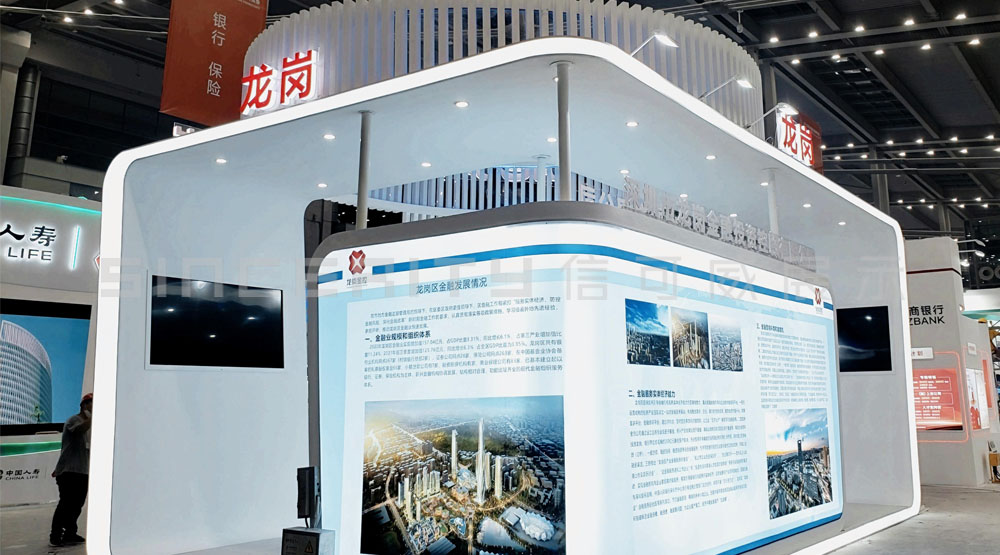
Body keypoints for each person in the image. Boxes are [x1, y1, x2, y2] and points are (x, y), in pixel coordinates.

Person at [50, 393, 92, 547]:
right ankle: (55, 535)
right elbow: (78, 430)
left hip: (83, 471)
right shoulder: (73, 420)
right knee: (66, 504)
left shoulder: (91, 426)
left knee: (77, 505)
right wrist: (92, 417)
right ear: (84, 405)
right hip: (68, 471)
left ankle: (70, 533)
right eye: (91, 403)